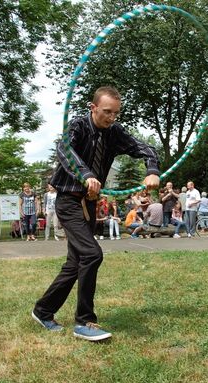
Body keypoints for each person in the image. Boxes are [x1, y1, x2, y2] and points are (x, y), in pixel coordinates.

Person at [32, 86, 160, 341]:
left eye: (116, 113)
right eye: (106, 112)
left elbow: (143, 148)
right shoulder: (77, 127)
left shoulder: (114, 132)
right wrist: (86, 175)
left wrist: (152, 169)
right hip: (69, 201)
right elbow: (65, 152)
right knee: (92, 254)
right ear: (93, 108)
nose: (111, 118)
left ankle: (43, 310)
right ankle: (85, 321)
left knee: (75, 262)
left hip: (90, 204)